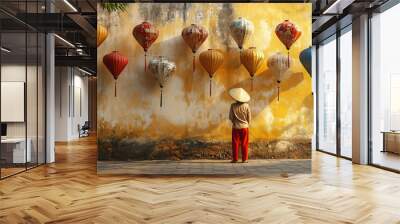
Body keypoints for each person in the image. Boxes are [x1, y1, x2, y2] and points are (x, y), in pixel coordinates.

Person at [228, 88, 251, 163]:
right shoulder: (247, 106)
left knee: (235, 143)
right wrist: (247, 124)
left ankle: (235, 159)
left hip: (235, 127)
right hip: (245, 127)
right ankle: (244, 159)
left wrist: (235, 122)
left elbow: (231, 117)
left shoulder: (233, 105)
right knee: (244, 143)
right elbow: (249, 118)